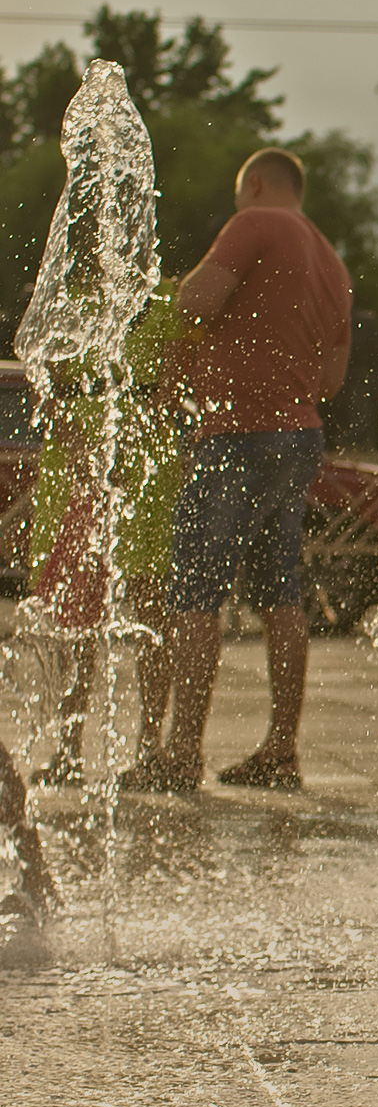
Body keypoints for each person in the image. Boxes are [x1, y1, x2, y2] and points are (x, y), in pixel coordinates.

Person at [129, 148, 353, 792]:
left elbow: (197, 301)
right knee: (279, 594)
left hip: (235, 436)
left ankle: (179, 755)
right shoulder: (332, 262)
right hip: (298, 436)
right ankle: (280, 750)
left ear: (254, 184)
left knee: (195, 592)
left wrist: (176, 335)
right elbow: (332, 381)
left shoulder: (255, 223)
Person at [29, 289, 186, 786]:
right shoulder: (65, 304)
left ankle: (149, 747)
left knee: (148, 610)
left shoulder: (166, 310)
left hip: (142, 474)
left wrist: (128, 444)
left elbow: (176, 384)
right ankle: (68, 749)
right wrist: (82, 449)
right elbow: (41, 384)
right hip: (74, 473)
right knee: (74, 616)